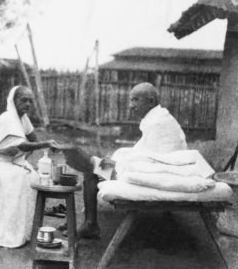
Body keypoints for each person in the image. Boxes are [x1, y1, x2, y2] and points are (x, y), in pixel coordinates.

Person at [63, 82, 187, 239]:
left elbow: (153, 159)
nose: (131, 105)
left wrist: (118, 166)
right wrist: (119, 160)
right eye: (131, 100)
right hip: (159, 168)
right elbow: (145, 151)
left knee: (92, 171)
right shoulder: (158, 117)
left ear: (150, 101)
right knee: (98, 166)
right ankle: (90, 165)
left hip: (162, 172)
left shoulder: (158, 122)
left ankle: (91, 224)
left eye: (135, 100)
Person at [0, 85, 59, 248]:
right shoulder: (8, 118)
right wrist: (44, 144)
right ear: (14, 101)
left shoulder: (22, 118)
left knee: (32, 175)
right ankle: (8, 229)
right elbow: (23, 145)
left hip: (9, 160)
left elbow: (32, 138)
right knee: (18, 178)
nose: (28, 104)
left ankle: (23, 229)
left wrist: (34, 150)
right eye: (24, 100)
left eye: (30, 101)